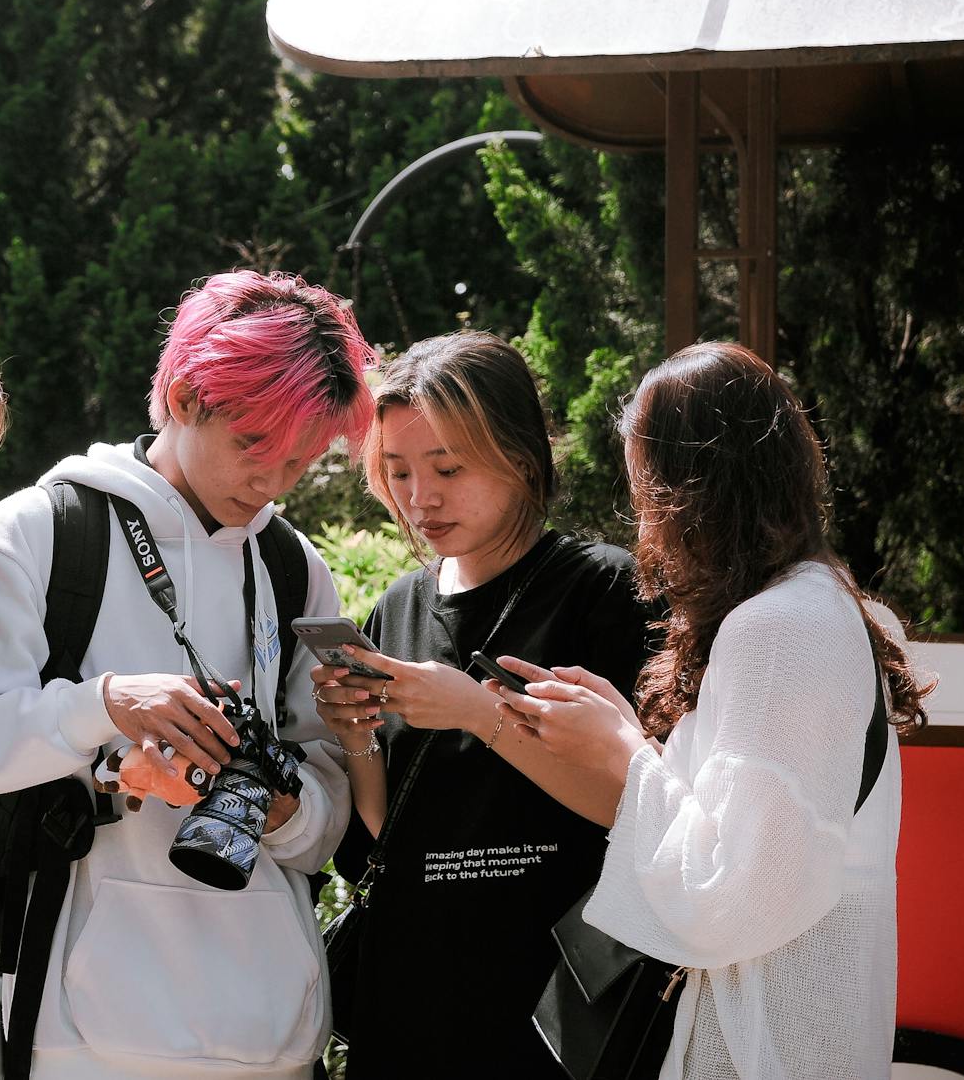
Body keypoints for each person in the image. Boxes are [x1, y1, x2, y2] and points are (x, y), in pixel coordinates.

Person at [0, 270, 376, 1080]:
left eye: (300, 463)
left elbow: (327, 800)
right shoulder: (39, 533)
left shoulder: (290, 566)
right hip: (82, 1033)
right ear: (184, 394)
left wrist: (280, 808)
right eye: (255, 447)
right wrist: (109, 712)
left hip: (273, 1031)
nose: (273, 484)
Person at [488, 341, 930, 1080]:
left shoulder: (780, 628)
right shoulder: (823, 606)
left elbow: (729, 893)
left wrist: (624, 753)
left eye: (645, 486)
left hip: (761, 1047)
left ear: (690, 487)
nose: (641, 516)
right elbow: (763, 834)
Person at [309, 330, 654, 1076]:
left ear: (521, 457)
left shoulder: (601, 591)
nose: (420, 497)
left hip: (549, 1009)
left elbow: (643, 809)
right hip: (410, 1004)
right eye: (397, 471)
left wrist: (479, 711)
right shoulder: (399, 605)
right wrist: (359, 737)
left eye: (448, 467)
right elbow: (385, 835)